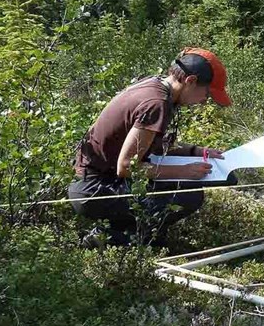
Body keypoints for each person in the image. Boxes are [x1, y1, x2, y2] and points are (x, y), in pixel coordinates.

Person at [68, 47, 234, 247]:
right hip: (93, 190)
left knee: (181, 188)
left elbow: (150, 146)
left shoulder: (156, 86)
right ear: (190, 81)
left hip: (96, 182)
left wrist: (195, 151)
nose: (203, 101)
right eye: (206, 94)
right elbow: (127, 166)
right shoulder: (157, 103)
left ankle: (133, 234)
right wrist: (184, 171)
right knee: (188, 196)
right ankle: (111, 238)